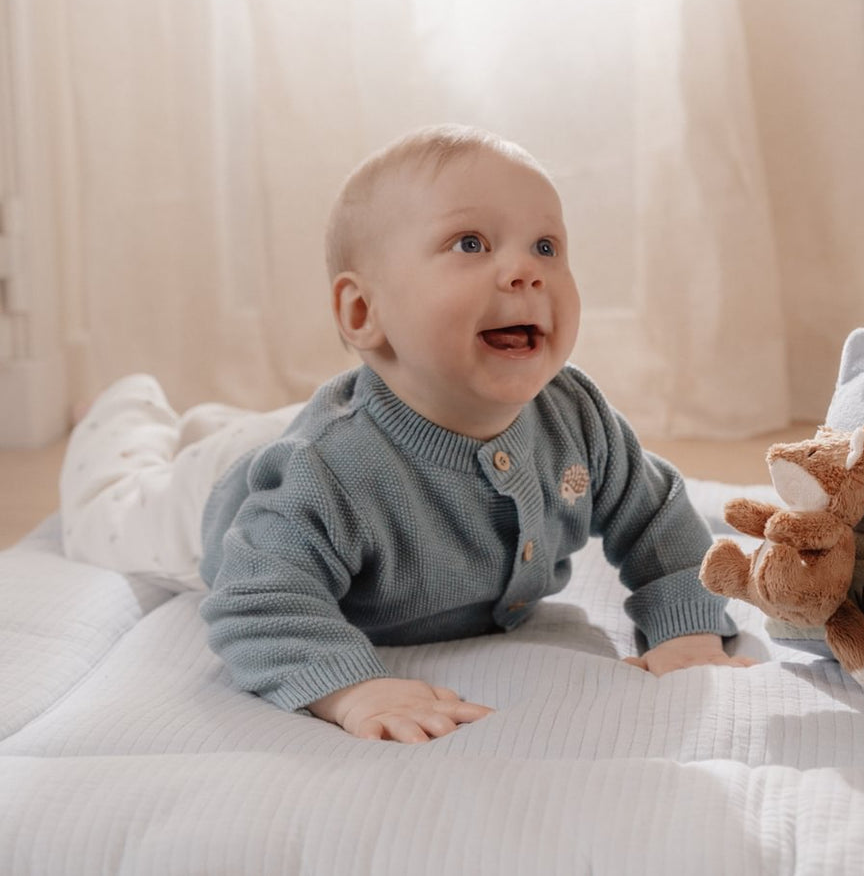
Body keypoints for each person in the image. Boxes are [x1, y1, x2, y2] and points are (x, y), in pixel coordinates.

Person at [59, 124, 752, 743]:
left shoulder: (576, 415)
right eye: (470, 243)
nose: (524, 268)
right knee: (107, 511)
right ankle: (123, 406)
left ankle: (217, 425)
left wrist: (687, 626)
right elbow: (255, 600)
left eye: (546, 244)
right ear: (364, 310)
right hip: (215, 499)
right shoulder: (322, 476)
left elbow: (658, 517)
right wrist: (351, 686)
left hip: (314, 427)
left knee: (258, 434)